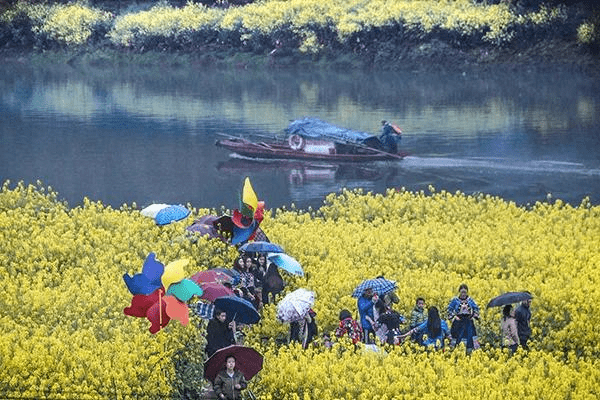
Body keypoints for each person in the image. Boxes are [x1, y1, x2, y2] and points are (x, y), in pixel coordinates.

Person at [447, 283, 480, 351]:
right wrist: (454, 316)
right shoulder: (455, 300)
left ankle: (469, 351)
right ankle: (456, 350)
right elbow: (449, 309)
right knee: (457, 337)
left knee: (469, 337)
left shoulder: (470, 300)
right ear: (459, 292)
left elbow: (476, 308)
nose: (463, 294)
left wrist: (473, 315)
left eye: (465, 292)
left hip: (468, 321)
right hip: (458, 321)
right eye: (462, 292)